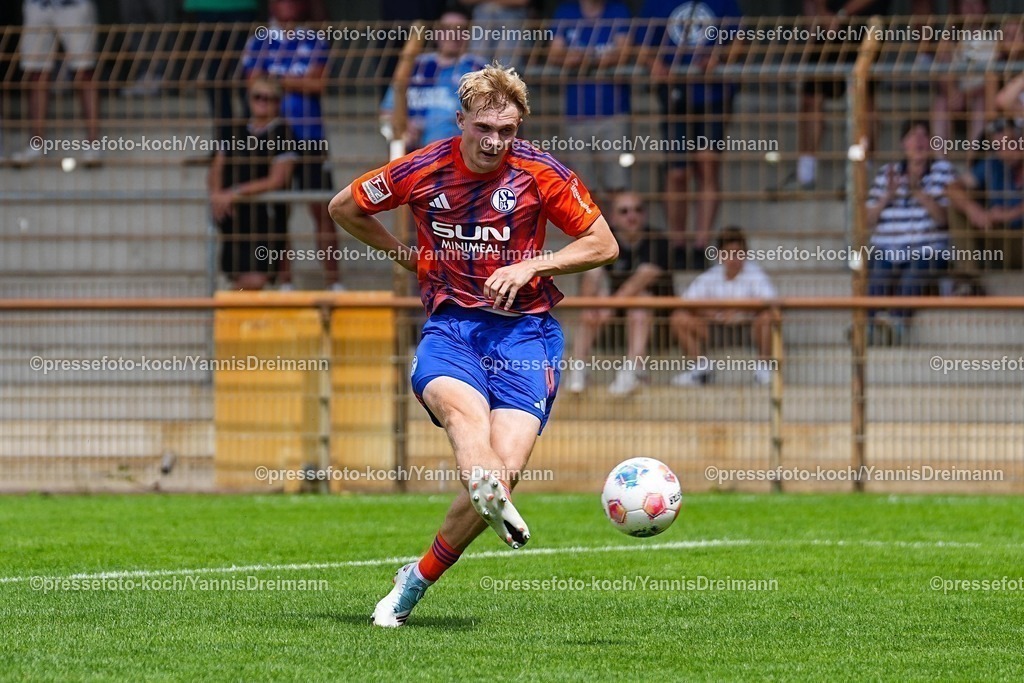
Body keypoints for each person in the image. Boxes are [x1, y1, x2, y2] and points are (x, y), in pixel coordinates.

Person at [328, 64, 618, 627]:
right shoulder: (423, 167)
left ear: (520, 127)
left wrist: (536, 262)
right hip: (452, 327)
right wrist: (404, 255)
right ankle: (485, 489)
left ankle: (414, 579)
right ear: (459, 120)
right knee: (466, 421)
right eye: (483, 127)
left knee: (502, 471)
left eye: (507, 130)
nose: (494, 141)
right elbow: (345, 207)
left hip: (526, 336)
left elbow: (603, 243)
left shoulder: (540, 173)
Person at [243, 0, 344, 290]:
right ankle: (285, 281)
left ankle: (334, 282)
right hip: (273, 139)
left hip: (311, 135)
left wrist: (275, 80)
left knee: (323, 208)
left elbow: (318, 84)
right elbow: (253, 84)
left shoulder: (315, 38)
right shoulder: (259, 39)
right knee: (279, 210)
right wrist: (298, 80)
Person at [637, 0, 742, 270]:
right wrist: (655, 64)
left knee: (707, 166)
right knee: (677, 172)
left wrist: (719, 59)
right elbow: (640, 46)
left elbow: (740, 40)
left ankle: (700, 245)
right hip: (675, 96)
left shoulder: (724, 3)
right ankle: (678, 244)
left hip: (713, 95)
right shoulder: (655, 5)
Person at [773, 0, 888, 192]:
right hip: (829, 29)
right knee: (811, 97)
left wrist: (842, 14)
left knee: (864, 98)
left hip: (867, 25)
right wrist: (822, 16)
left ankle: (863, 174)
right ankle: (805, 175)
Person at [566, 192, 672, 396]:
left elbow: (640, 280)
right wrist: (591, 306)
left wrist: (608, 305)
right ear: (613, 218)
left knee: (641, 301)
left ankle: (633, 369)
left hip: (659, 317)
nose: (631, 216)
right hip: (616, 312)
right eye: (624, 211)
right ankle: (578, 368)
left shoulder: (657, 240)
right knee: (592, 302)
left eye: (637, 210)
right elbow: (592, 276)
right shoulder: (605, 238)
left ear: (645, 214)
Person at [864, 120, 955, 344]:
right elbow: (867, 220)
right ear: (903, 143)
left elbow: (943, 219)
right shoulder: (888, 172)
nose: (919, 141)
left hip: (928, 248)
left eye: (924, 135)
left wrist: (917, 191)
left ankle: (896, 324)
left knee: (915, 272)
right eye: (913, 135)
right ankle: (869, 326)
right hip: (888, 246)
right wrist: (888, 195)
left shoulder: (943, 171)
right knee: (878, 274)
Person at [208, 78, 297, 290]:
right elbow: (217, 166)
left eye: (269, 98)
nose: (263, 102)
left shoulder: (284, 133)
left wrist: (235, 192)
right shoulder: (235, 130)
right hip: (235, 218)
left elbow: (278, 179)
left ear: (278, 102)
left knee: (257, 278)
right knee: (236, 277)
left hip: (265, 219)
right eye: (258, 97)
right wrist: (217, 195)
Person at [670, 226, 775, 386]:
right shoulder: (711, 275)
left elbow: (771, 302)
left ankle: (763, 369)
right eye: (728, 253)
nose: (733, 258)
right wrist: (716, 314)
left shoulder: (755, 273)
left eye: (738, 253)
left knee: (767, 317)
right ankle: (701, 368)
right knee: (679, 317)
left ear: (745, 253)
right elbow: (687, 301)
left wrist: (741, 313)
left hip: (747, 330)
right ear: (720, 255)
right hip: (716, 330)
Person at [548, 0, 632, 195]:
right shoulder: (565, 11)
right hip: (576, 112)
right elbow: (553, 54)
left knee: (617, 183)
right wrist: (595, 59)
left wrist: (583, 59)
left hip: (614, 111)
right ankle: (592, 227)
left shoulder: (618, 10)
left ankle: (615, 227)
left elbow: (625, 52)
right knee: (582, 188)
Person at [379, 10, 487, 151]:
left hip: (456, 151)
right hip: (411, 150)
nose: (454, 35)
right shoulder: (415, 65)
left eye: (461, 30)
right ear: (437, 32)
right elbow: (387, 110)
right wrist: (404, 125)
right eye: (447, 29)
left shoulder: (477, 69)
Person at [13, 0, 101, 167]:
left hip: (74, 6)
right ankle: (36, 144)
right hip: (37, 5)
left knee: (84, 71)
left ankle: (93, 145)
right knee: (36, 74)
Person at [947, 120, 1024, 270]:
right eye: (999, 147)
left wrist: (1008, 215)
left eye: (1010, 142)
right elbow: (952, 188)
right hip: (1005, 240)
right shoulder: (994, 164)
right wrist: (975, 211)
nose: (1006, 150)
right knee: (957, 207)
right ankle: (969, 279)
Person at [185, 0, 258, 145]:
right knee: (215, 79)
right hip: (205, 6)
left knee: (247, 75)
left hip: (241, 7)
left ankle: (251, 138)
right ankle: (224, 144)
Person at [930, 0, 998, 148]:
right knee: (940, 103)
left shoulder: (996, 39)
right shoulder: (950, 37)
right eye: (965, 4)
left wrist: (969, 95)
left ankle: (972, 158)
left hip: (982, 97)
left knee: (981, 104)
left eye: (976, 3)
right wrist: (951, 92)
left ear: (985, 7)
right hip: (957, 97)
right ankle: (941, 163)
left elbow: (995, 79)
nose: (970, 9)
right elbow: (941, 72)